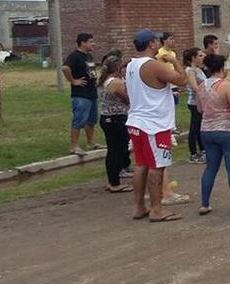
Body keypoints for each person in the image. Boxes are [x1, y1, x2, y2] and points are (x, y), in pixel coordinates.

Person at [126, 29, 187, 222]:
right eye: (156, 41)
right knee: (157, 166)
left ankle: (138, 206)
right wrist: (175, 61)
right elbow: (181, 80)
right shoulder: (153, 65)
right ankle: (157, 209)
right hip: (154, 123)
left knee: (141, 164)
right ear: (152, 44)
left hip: (137, 120)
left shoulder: (131, 65)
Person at [196, 54, 230, 217]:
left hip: (207, 130)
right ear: (222, 68)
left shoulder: (201, 86)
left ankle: (205, 203)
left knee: (210, 167)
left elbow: (200, 109)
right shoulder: (226, 85)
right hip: (228, 130)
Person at [61, 33, 100, 155]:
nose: (93, 44)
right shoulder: (75, 56)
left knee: (92, 120)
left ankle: (91, 142)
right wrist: (73, 81)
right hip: (81, 94)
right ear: (82, 43)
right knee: (79, 120)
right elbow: (65, 68)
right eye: (90, 41)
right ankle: (74, 146)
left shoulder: (88, 56)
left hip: (91, 92)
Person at [98, 55, 132, 193]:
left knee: (112, 151)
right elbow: (127, 99)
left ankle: (112, 180)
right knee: (118, 151)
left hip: (107, 117)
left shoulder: (105, 80)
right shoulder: (116, 82)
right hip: (116, 118)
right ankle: (115, 182)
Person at [183, 47, 206, 163]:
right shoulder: (190, 70)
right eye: (200, 56)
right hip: (194, 102)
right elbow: (194, 87)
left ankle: (202, 150)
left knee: (200, 127)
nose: (203, 58)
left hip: (202, 101)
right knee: (195, 127)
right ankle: (193, 153)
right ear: (193, 58)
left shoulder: (199, 70)